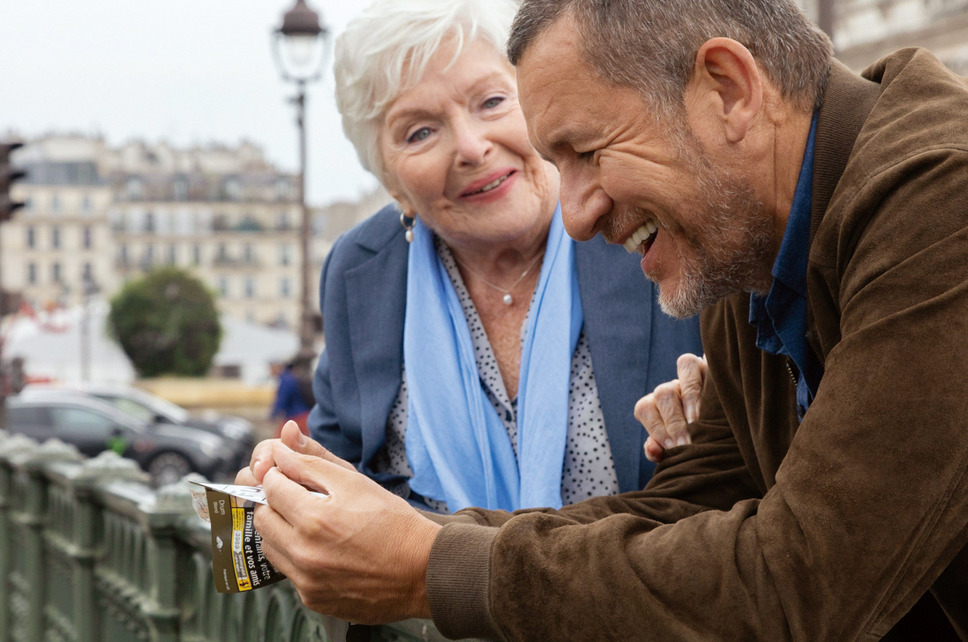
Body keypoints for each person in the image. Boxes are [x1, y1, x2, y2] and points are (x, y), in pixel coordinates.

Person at [238, 0, 968, 638]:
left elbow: (800, 583)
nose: (576, 214)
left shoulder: (943, 202)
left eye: (586, 152)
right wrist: (395, 541)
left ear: (729, 89)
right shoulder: (747, 238)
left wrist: (427, 568)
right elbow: (686, 511)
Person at [303, 0, 701, 514]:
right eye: (419, 132)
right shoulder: (362, 272)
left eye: (491, 101)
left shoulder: (645, 216)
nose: (471, 146)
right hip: (428, 596)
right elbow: (340, 474)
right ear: (391, 184)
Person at [269, 354, 314, 437]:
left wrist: (273, 414)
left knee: (281, 441)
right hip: (304, 415)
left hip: (296, 416)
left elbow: (282, 399)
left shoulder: (285, 379)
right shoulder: (291, 377)